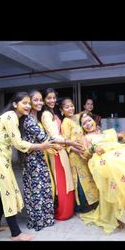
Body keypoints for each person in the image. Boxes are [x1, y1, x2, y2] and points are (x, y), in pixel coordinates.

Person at [0, 92, 55, 241]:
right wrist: (42, 146)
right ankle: (16, 234)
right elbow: (18, 144)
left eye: (29, 103)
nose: (28, 106)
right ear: (15, 104)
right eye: (24, 103)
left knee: (5, 192)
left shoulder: (14, 118)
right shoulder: (10, 117)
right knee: (9, 193)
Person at [41, 88, 84, 220]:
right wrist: (70, 142)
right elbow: (54, 136)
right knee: (62, 181)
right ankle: (63, 212)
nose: (52, 100)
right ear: (44, 100)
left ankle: (67, 210)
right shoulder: (46, 115)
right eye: (49, 98)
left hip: (61, 149)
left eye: (54, 98)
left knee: (67, 180)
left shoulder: (52, 113)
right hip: (57, 150)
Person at [22, 90, 57, 231]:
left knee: (44, 189)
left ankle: (45, 219)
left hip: (40, 158)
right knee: (37, 192)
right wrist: (69, 143)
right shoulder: (29, 120)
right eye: (35, 100)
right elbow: (45, 139)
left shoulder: (35, 118)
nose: (39, 103)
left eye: (40, 100)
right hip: (34, 161)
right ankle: (39, 221)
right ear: (29, 102)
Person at [60, 98, 99, 213]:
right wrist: (76, 150)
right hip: (75, 156)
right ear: (62, 110)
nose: (70, 108)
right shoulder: (66, 122)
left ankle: (92, 202)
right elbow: (65, 142)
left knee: (88, 178)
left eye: (71, 106)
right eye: (66, 107)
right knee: (80, 181)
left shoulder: (76, 119)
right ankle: (83, 205)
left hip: (84, 153)